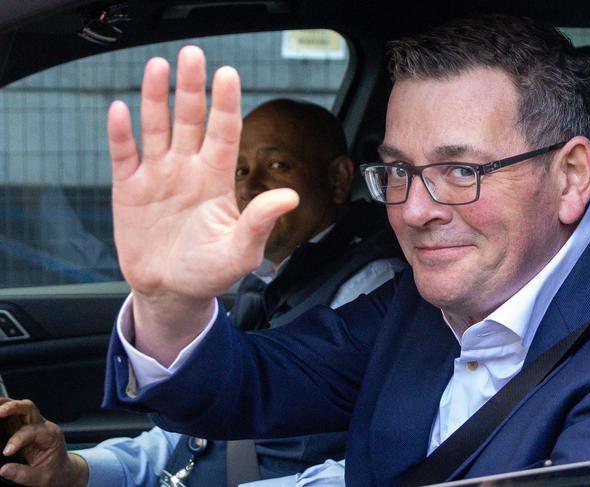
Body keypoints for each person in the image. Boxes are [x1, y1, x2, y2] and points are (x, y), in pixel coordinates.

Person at [3, 12, 590, 487]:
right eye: (397, 171)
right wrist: (171, 301)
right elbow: (247, 387)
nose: (415, 210)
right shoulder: (419, 306)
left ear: (569, 177)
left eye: (461, 171)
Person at [0, 99, 404, 487]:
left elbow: (367, 466)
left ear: (337, 180)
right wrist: (76, 470)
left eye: (277, 164)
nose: (249, 186)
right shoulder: (262, 282)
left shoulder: (374, 290)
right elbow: (188, 435)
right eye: (240, 170)